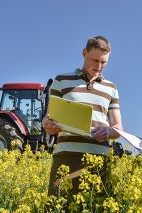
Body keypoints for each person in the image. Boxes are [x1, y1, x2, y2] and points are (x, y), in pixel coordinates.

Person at [42, 35, 122, 197]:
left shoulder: (111, 88)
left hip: (99, 158)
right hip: (66, 157)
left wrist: (108, 132)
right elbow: (49, 117)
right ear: (84, 53)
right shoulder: (61, 80)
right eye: (95, 60)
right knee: (58, 205)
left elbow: (118, 128)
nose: (99, 66)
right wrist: (47, 124)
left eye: (104, 62)